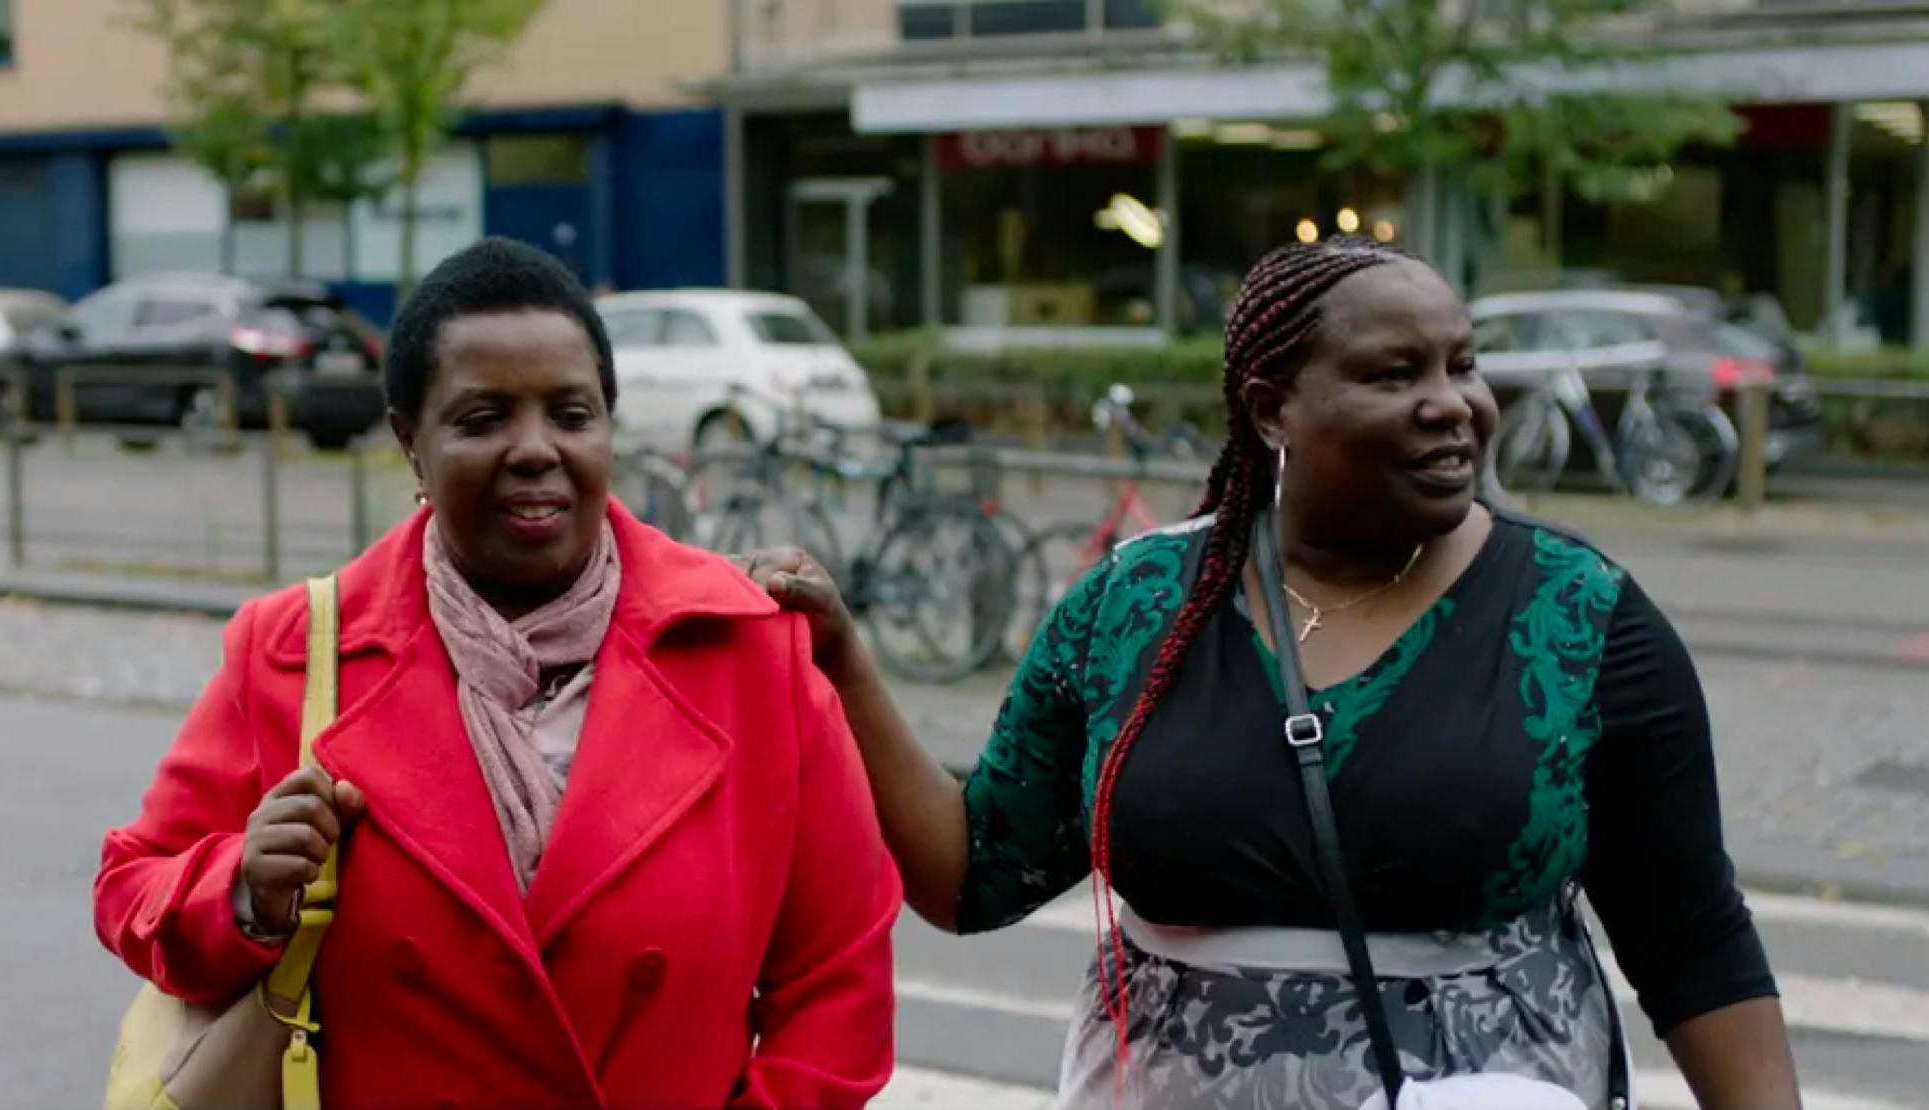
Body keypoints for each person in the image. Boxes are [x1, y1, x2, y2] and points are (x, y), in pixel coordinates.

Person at [740, 237, 1803, 1110]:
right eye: (1395, 374)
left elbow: (1692, 937)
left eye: (1462, 364)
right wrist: (845, 662)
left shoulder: (1580, 615)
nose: (1453, 404)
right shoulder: (1136, 605)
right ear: (1270, 410)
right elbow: (974, 877)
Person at [95, 237, 901, 1109]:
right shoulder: (295, 648)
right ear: (411, 442)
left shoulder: (747, 650)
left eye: (571, 413)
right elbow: (131, 887)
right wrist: (245, 890)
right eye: (484, 419)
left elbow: (839, 979)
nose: (535, 449)